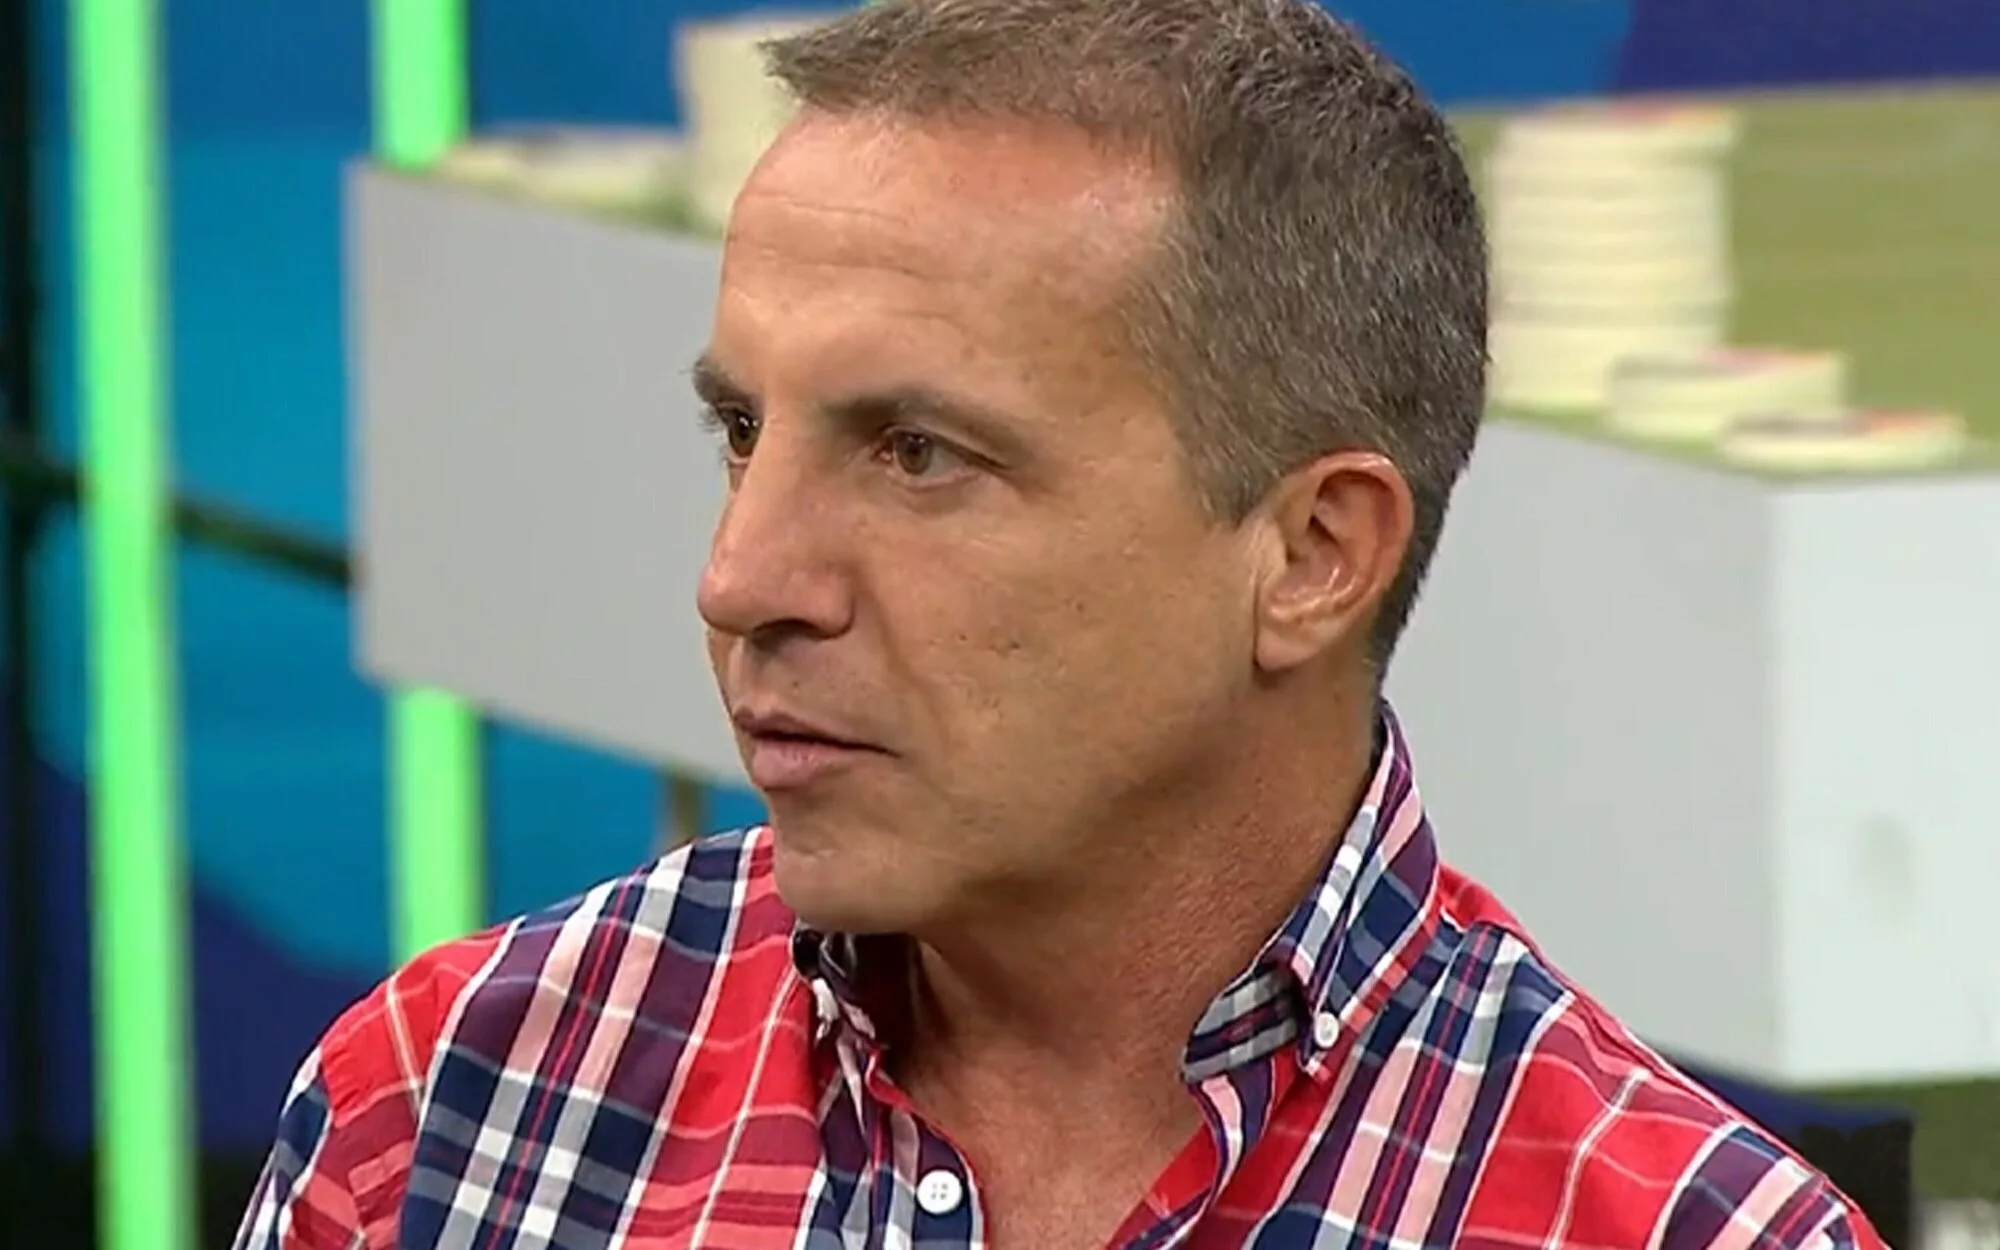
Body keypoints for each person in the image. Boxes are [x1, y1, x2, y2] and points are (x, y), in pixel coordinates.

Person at [236, 1, 1889, 1247]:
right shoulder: (446, 1117)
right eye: (744, 430)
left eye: (917, 453)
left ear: (1314, 553)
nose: (741, 578)